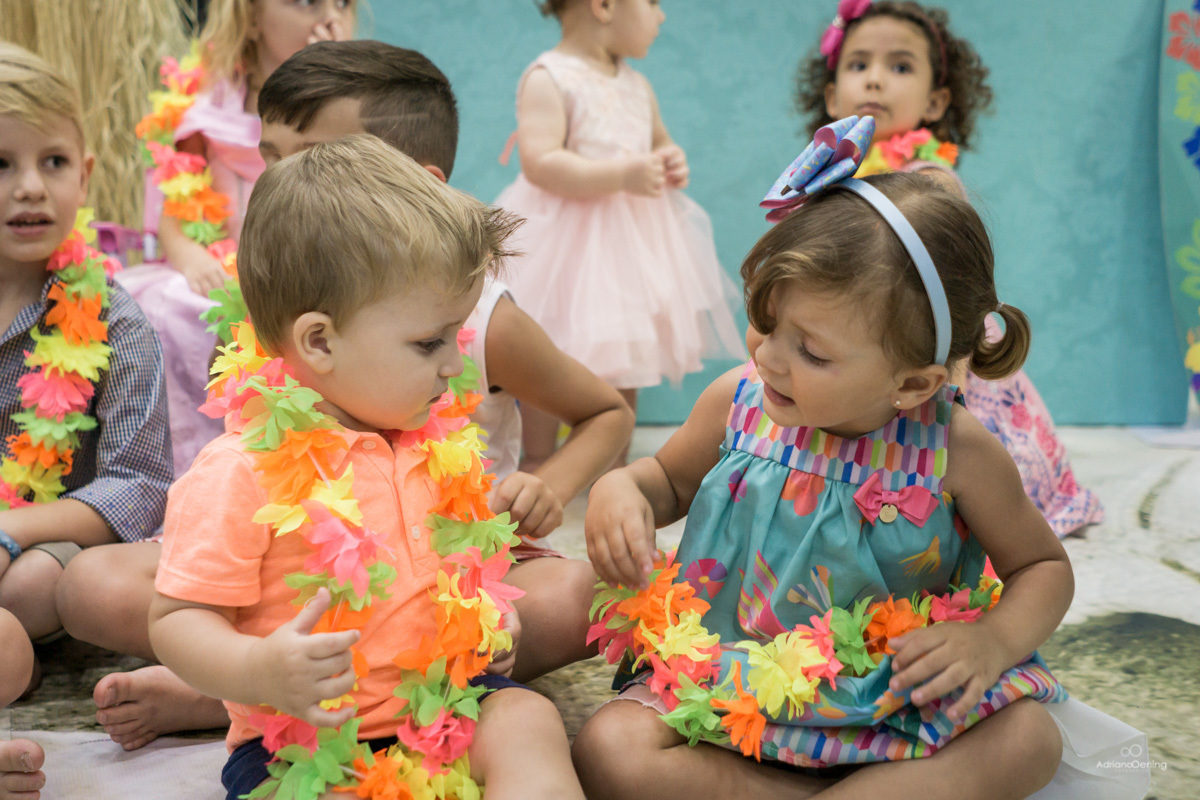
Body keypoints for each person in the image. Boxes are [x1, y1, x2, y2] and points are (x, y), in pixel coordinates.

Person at [56, 41, 629, 755]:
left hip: (451, 561)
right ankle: (252, 678)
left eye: (315, 159)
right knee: (91, 582)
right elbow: (236, 506)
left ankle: (219, 691)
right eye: (271, 158)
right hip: (299, 577)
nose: (277, 185)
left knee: (583, 595)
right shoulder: (290, 300)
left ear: (416, 182)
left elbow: (609, 411)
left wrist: (548, 486)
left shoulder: (481, 324)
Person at [573, 123, 1138, 798]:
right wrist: (621, 487)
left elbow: (1042, 567)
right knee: (609, 747)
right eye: (766, 319)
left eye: (812, 352)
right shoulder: (740, 400)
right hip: (737, 676)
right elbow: (665, 480)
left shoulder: (955, 449)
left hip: (894, 696)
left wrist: (990, 643)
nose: (769, 356)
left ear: (912, 384)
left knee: (1031, 741)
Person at [149, 134, 585, 800]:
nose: (453, 364)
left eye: (458, 335)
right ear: (319, 341)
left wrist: (488, 620)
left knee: (526, 716)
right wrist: (257, 668)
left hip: (444, 707)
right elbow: (176, 619)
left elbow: (454, 571)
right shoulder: (239, 470)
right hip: (305, 742)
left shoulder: (433, 443)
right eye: (430, 341)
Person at [795, 0, 1102, 537]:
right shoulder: (822, 179)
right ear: (830, 94)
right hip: (854, 344)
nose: (875, 80)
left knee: (951, 467)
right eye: (858, 64)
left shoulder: (931, 181)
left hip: (937, 348)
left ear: (937, 100)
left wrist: (952, 388)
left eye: (900, 67)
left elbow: (951, 285)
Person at [0, 43, 172, 799]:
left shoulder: (113, 320)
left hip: (46, 546)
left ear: (88, 173)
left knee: (37, 587)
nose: (29, 188)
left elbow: (139, 485)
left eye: (54, 162)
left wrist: (10, 530)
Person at [497, 0, 744, 467]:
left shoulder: (637, 85)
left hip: (626, 246)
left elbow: (658, 140)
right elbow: (541, 162)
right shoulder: (549, 77)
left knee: (623, 354)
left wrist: (670, 157)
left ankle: (612, 467)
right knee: (544, 349)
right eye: (653, 3)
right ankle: (535, 458)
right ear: (605, 5)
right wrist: (621, 175)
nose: (662, 15)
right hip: (561, 244)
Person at [120, 0, 357, 479]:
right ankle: (176, 467)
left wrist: (339, 71)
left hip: (310, 265)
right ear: (250, 19)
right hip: (218, 263)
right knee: (166, 307)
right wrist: (188, 255)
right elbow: (175, 207)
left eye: (343, 2)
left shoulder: (347, 107)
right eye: (308, 2)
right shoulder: (211, 105)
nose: (327, 15)